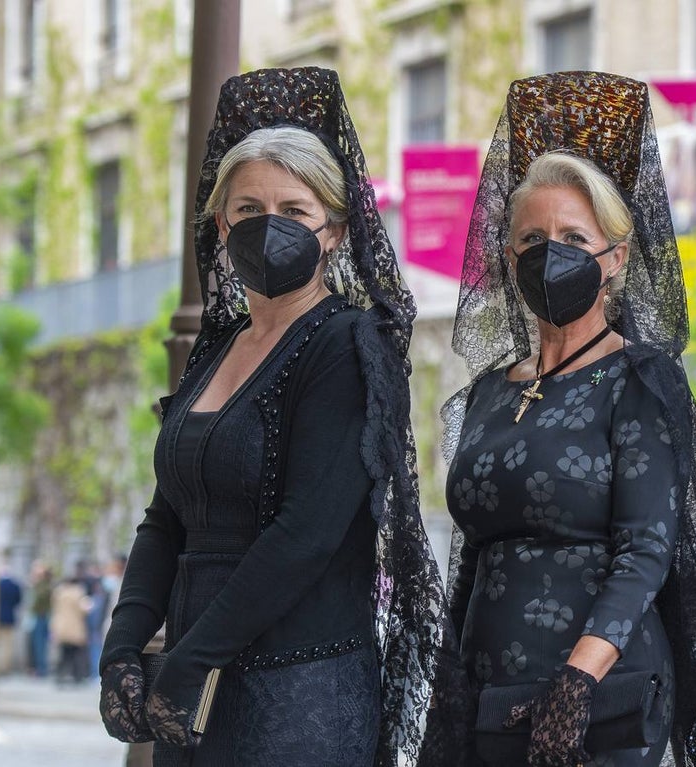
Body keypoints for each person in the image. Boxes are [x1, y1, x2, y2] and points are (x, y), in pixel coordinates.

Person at [98, 67, 465, 766]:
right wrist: (123, 642)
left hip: (297, 700)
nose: (270, 228)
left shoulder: (348, 343)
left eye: (295, 211)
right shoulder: (218, 346)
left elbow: (307, 531)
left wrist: (192, 652)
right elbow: (165, 515)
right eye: (249, 210)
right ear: (219, 223)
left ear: (334, 230)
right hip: (194, 691)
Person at [443, 72, 696, 766]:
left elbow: (646, 550)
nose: (552, 252)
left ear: (617, 257)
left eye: (574, 235)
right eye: (533, 237)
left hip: (599, 702)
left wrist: (575, 681)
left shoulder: (640, 379)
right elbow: (473, 553)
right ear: (510, 260)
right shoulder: (487, 391)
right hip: (487, 701)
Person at [51, 568, 92, 684]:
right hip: (75, 627)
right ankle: (77, 676)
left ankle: (60, 675)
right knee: (76, 653)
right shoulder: (79, 593)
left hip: (61, 625)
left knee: (64, 653)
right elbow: (84, 609)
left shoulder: (58, 593)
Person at [0, 562, 23, 676]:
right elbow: (18, 600)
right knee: (8, 644)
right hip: (9, 617)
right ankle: (5, 667)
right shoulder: (15, 585)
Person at [28, 561, 53, 677]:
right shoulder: (43, 585)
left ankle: (41, 668)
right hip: (40, 616)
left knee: (40, 644)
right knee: (38, 644)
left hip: (41, 616)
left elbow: (37, 601)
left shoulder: (43, 586)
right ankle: (39, 667)